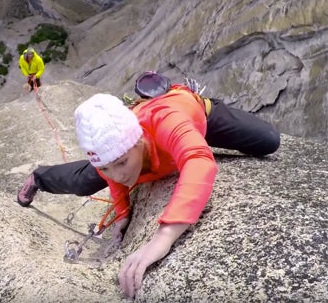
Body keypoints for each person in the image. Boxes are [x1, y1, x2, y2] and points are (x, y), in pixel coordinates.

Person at [16, 75, 280, 298]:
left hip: (195, 115)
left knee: (268, 141)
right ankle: (39, 178)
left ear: (140, 142)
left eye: (121, 163)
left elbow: (199, 160)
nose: (117, 176)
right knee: (84, 180)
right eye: (107, 167)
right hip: (141, 136)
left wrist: (164, 237)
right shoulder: (115, 152)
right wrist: (122, 212)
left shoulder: (165, 121)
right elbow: (111, 169)